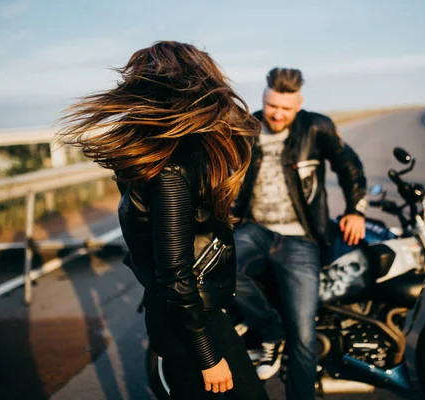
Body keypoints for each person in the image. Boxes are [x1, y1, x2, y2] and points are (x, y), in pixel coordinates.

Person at [58, 41, 269, 400]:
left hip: (193, 315)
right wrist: (208, 356)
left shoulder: (173, 153)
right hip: (192, 324)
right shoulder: (172, 165)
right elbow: (174, 274)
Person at [233, 67, 367, 400]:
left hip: (300, 239)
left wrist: (355, 210)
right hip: (254, 228)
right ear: (264, 97)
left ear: (299, 103)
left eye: (285, 108)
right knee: (215, 267)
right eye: (271, 105)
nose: (276, 114)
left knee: (304, 336)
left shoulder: (315, 127)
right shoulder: (246, 129)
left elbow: (348, 164)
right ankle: (268, 328)